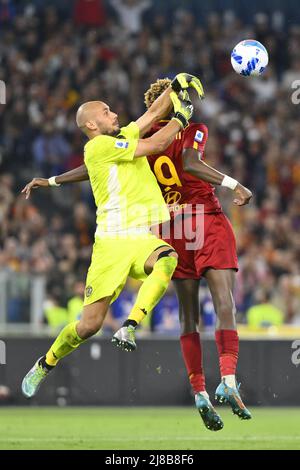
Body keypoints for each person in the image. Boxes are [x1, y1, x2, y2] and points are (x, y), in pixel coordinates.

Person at [23, 76, 252, 431]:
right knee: (89, 325)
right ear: (91, 125)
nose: (114, 113)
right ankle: (46, 363)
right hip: (119, 240)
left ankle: (132, 327)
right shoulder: (106, 145)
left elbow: (147, 119)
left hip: (152, 232)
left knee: (170, 265)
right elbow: (165, 144)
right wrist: (183, 116)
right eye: (107, 111)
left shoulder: (126, 137)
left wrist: (175, 89)